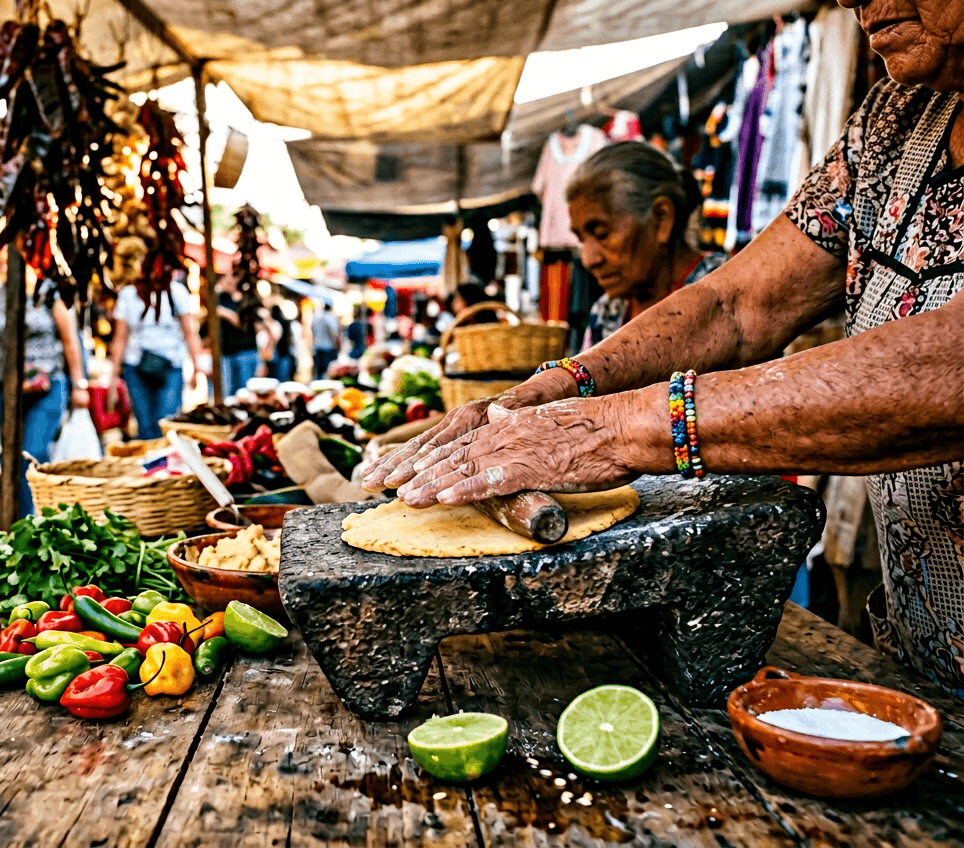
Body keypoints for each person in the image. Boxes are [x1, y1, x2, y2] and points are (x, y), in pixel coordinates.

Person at [364, 0, 964, 698]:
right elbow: (736, 305)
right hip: (924, 662)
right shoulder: (897, 116)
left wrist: (618, 431)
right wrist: (556, 389)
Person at [569, 142, 727, 350]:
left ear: (661, 219)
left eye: (602, 234)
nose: (589, 259)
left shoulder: (725, 294)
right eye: (581, 239)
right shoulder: (607, 312)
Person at [0, 259, 90, 519]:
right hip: (8, 391)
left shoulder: (49, 293)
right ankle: (19, 526)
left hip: (47, 388)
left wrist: (79, 384)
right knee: (11, 463)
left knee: (33, 453)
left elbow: (70, 340)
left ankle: (39, 520)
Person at [109, 278, 204, 441]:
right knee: (145, 424)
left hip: (170, 365)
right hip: (136, 366)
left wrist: (197, 367)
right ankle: (152, 465)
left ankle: (165, 463)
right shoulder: (129, 294)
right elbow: (120, 338)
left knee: (167, 423)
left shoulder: (177, 292)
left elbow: (190, 332)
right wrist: (113, 377)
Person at [216, 271, 269, 396]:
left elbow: (249, 325)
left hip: (246, 352)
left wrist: (226, 314)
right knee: (228, 394)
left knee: (245, 393)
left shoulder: (249, 298)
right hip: (226, 353)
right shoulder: (221, 298)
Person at [263, 304, 297, 383]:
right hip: (285, 351)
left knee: (275, 377)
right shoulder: (286, 322)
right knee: (283, 378)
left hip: (276, 352)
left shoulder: (273, 324)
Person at [311, 303, 341, 379]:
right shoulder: (331, 318)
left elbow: (313, 332)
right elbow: (335, 334)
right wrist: (338, 347)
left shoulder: (316, 317)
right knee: (327, 373)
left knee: (318, 372)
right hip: (329, 348)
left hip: (317, 347)